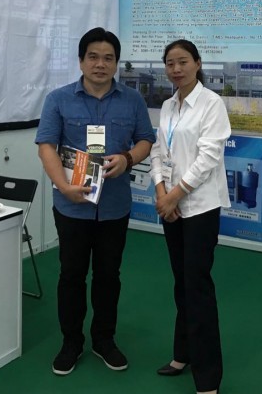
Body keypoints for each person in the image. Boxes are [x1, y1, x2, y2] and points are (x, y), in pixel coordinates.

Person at [36, 27, 155, 376]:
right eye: (93, 57)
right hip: (71, 206)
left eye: (108, 58)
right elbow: (46, 146)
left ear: (116, 63)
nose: (100, 64)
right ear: (81, 60)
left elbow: (145, 140)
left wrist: (128, 159)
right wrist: (63, 186)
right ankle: (71, 342)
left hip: (115, 206)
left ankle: (104, 339)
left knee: (108, 276)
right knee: (71, 275)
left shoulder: (132, 100)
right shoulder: (58, 99)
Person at [150, 39, 230, 394]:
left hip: (199, 208)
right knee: (180, 283)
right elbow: (158, 150)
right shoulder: (169, 105)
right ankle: (182, 353)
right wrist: (160, 191)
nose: (176, 69)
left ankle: (208, 378)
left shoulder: (211, 103)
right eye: (170, 63)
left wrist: (175, 195)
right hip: (171, 206)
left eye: (183, 61)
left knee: (197, 287)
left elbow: (208, 157)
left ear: (198, 63)